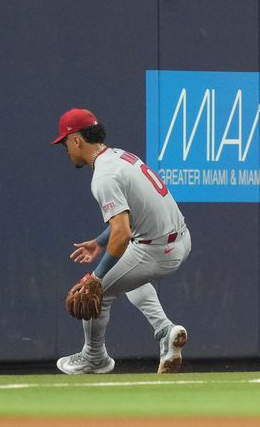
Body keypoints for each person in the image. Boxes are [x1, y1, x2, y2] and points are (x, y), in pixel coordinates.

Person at [51, 108, 191, 374]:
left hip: (157, 250)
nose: (66, 149)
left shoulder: (104, 176)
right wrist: (100, 242)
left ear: (78, 140)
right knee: (127, 276)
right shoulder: (120, 156)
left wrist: (95, 277)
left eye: (66, 142)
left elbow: (123, 233)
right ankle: (165, 331)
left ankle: (94, 357)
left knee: (97, 292)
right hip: (180, 238)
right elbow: (131, 218)